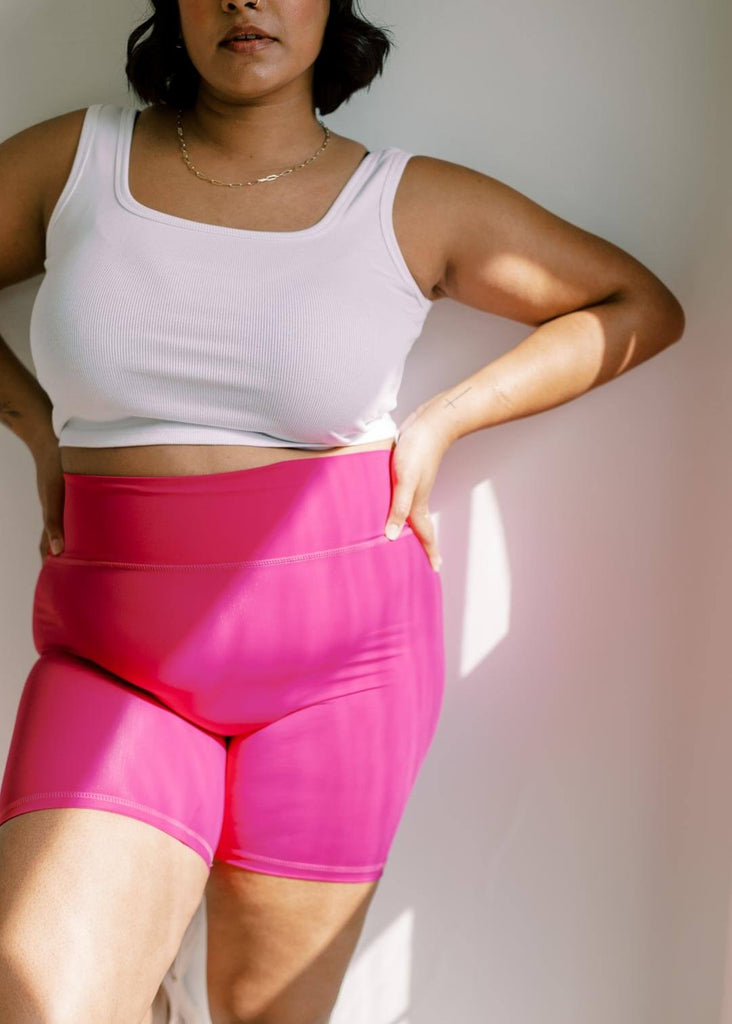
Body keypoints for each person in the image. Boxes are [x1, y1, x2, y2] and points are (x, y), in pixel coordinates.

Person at [0, 0, 685, 1021]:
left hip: (341, 668)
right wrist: (37, 427)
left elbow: (638, 308)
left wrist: (444, 422)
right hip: (113, 658)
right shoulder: (76, 161)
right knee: (46, 998)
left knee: (258, 1011)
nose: (247, 0)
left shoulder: (405, 201)